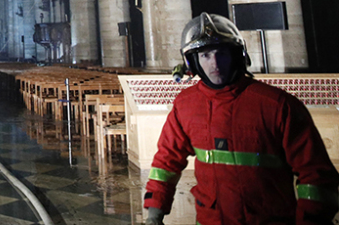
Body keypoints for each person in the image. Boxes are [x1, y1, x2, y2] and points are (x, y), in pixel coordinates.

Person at [144, 12, 339, 225]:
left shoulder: (277, 105)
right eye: (205, 55)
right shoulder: (185, 105)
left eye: (222, 53)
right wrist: (155, 213)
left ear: (237, 55)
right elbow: (166, 161)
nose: (214, 63)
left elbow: (316, 174)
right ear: (192, 62)